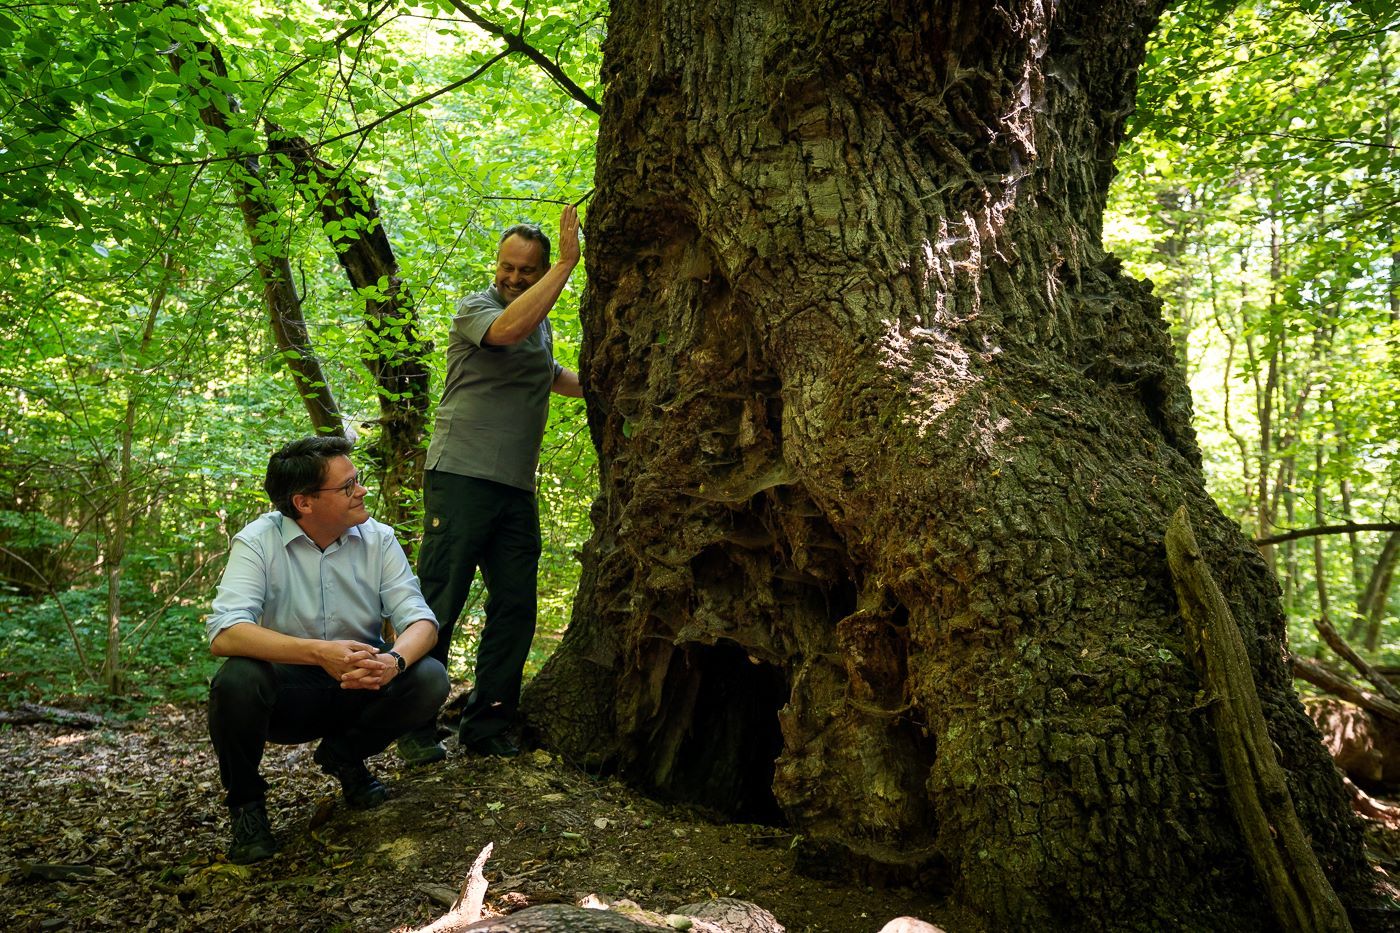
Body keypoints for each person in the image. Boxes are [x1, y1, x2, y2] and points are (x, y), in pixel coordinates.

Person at [396, 205, 584, 765]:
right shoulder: (477, 308)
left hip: (515, 488)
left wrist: (612, 381)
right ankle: (413, 725)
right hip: (461, 476)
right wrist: (567, 264)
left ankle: (487, 725)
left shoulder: (541, 323)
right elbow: (506, 332)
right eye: (508, 266)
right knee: (440, 600)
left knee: (515, 606)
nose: (514, 278)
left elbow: (550, 375)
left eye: (527, 270)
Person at [206, 436, 449, 864]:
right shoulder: (258, 541)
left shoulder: (379, 539)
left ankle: (345, 756)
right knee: (237, 679)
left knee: (429, 677)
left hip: (362, 682)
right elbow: (226, 633)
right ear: (304, 502)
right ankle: (247, 807)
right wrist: (318, 653)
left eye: (358, 479)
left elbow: (421, 622)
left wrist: (392, 662)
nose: (362, 490)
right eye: (348, 486)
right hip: (288, 694)